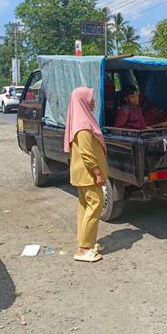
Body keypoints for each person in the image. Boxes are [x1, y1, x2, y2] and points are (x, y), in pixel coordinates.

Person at [64, 87, 108, 263]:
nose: (93, 101)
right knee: (96, 204)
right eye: (90, 98)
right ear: (82, 101)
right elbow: (87, 153)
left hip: (82, 174)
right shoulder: (83, 124)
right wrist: (98, 173)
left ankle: (85, 243)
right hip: (87, 173)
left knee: (85, 206)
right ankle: (83, 249)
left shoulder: (80, 120)